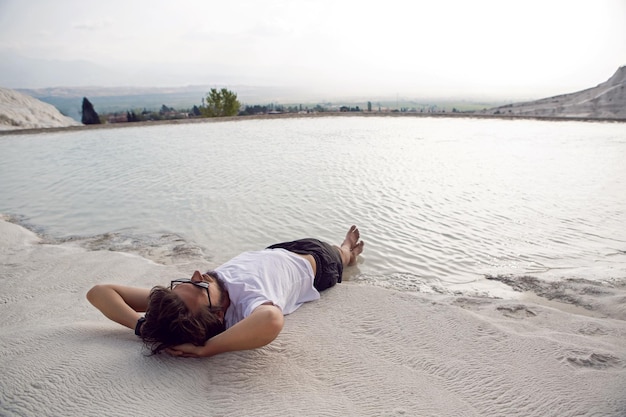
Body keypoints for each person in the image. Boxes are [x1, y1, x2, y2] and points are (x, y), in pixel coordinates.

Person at [86, 225, 364, 358]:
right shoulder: (247, 304)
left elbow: (99, 292)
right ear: (218, 315)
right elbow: (271, 321)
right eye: (199, 285)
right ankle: (348, 250)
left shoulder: (179, 302)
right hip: (316, 264)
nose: (197, 275)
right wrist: (207, 349)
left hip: (276, 251)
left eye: (183, 280)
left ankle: (348, 250)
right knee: (343, 256)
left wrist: (142, 327)